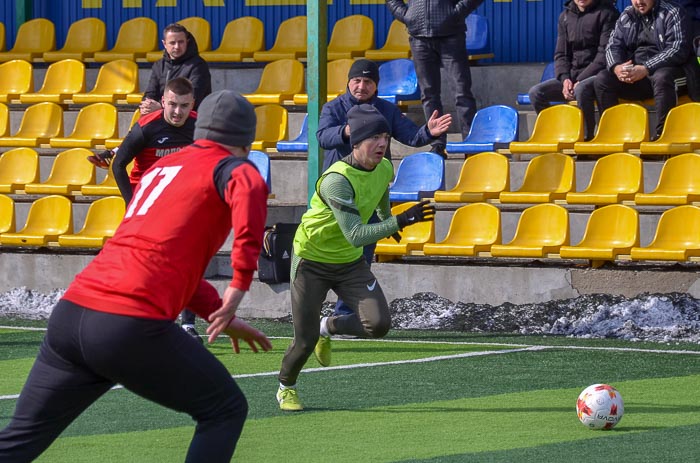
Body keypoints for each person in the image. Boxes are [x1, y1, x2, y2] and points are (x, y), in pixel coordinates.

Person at [0, 90, 271, 462]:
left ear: (199, 128)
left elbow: (163, 259)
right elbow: (249, 184)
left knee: (18, 442)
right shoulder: (233, 167)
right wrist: (239, 284)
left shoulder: (162, 168)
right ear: (246, 140)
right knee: (224, 409)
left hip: (71, 315)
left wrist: (217, 312)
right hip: (125, 324)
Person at [276, 105, 436, 411]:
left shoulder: (385, 166)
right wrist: (398, 222)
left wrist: (386, 217)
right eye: (375, 137)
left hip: (347, 262)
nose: (382, 144)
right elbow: (357, 235)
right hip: (311, 260)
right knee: (305, 342)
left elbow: (380, 192)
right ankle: (287, 386)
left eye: (386, 136)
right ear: (356, 142)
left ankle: (330, 325)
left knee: (379, 325)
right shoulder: (336, 179)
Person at [317, 58, 452, 317]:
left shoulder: (386, 110)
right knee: (327, 254)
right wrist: (348, 131)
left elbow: (412, 137)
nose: (361, 86)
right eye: (356, 80)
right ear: (348, 82)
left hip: (370, 193)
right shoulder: (333, 108)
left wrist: (430, 132)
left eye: (368, 81)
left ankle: (344, 315)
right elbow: (323, 137)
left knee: (363, 255)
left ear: (376, 86)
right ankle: (313, 303)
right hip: (340, 193)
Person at [88, 77, 204, 340]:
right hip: (147, 203)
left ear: (192, 104)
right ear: (163, 102)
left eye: (184, 106)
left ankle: (187, 325)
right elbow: (118, 166)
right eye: (172, 104)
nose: (177, 112)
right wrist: (132, 206)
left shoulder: (200, 126)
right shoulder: (146, 128)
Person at [386, 0, 484, 156]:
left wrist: (455, 14)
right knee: (429, 94)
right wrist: (407, 15)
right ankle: (437, 144)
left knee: (462, 92)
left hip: (451, 35)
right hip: (419, 37)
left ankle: (470, 145)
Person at [591, 0, 692, 139]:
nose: (639, 2)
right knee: (602, 79)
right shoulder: (627, 15)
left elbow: (677, 49)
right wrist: (617, 67)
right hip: (638, 76)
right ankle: (615, 135)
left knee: (662, 77)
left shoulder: (673, 12)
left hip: (673, 75)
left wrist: (646, 68)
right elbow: (612, 46)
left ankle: (661, 137)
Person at [527, 0, 619, 140]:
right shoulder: (565, 16)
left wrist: (580, 79)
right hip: (573, 76)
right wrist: (565, 79)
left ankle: (588, 138)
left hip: (598, 75)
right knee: (536, 93)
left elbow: (604, 55)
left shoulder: (607, 14)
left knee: (581, 89)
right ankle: (556, 134)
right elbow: (561, 54)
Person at [141, 22, 212, 114]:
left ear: (187, 42)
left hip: (190, 118)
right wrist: (147, 105)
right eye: (172, 43)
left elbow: (194, 98)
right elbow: (150, 93)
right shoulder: (159, 65)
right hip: (161, 116)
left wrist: (161, 107)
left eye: (181, 42)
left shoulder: (198, 66)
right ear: (164, 44)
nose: (177, 47)